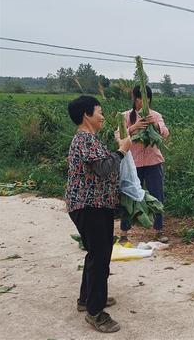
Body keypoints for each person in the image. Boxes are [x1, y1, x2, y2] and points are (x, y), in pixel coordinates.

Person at [65, 95, 131, 333]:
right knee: (101, 256)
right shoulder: (84, 139)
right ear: (86, 115)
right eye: (99, 111)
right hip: (89, 205)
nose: (102, 116)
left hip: (93, 205)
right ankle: (95, 312)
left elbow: (102, 163)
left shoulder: (88, 139)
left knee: (96, 253)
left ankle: (87, 300)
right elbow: (104, 168)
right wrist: (122, 151)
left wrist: (120, 144)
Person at [118, 85, 170, 243]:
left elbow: (165, 133)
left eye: (146, 98)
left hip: (153, 162)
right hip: (133, 163)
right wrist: (133, 128)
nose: (143, 101)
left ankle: (158, 230)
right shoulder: (126, 116)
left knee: (157, 195)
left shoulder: (155, 115)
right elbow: (118, 136)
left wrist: (155, 125)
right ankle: (124, 233)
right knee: (129, 195)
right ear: (134, 98)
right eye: (140, 98)